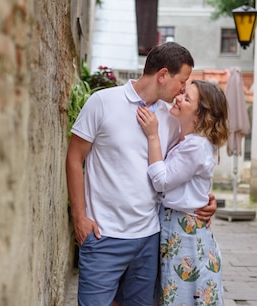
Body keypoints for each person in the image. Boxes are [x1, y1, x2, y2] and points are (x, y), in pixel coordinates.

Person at [66, 42, 217, 306]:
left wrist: (205, 200)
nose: (183, 89)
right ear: (162, 75)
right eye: (181, 81)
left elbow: (178, 171)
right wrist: (79, 217)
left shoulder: (171, 119)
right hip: (104, 236)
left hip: (150, 239)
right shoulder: (102, 102)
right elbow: (74, 157)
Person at [136, 79, 229, 306]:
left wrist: (152, 136)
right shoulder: (186, 138)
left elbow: (162, 181)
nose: (178, 98)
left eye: (187, 98)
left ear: (199, 116)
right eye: (183, 93)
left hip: (185, 233)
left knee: (182, 298)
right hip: (177, 228)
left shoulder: (196, 146)